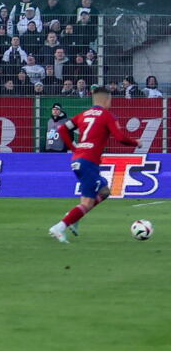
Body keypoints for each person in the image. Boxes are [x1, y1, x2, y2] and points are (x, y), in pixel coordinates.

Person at [49, 87, 138, 244]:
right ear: (107, 100)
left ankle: (74, 216)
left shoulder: (83, 115)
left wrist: (74, 149)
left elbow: (62, 129)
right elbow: (120, 137)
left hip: (78, 160)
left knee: (104, 191)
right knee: (87, 203)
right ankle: (59, 227)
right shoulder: (107, 116)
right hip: (89, 162)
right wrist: (135, 142)